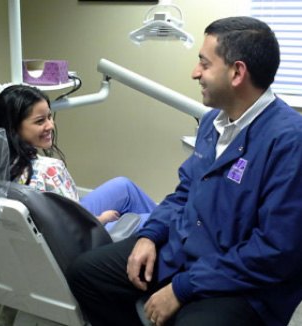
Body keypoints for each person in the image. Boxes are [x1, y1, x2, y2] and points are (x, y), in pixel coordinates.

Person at [65, 16, 302, 326]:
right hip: (184, 252)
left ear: (237, 72)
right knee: (86, 274)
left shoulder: (289, 141)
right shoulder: (211, 123)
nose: (195, 73)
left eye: (204, 63)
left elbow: (274, 252)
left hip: (243, 284)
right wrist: (150, 235)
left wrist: (182, 288)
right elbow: (184, 193)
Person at [0, 84, 156, 231]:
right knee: (162, 220)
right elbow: (75, 230)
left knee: (124, 186)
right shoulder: (50, 170)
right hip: (83, 240)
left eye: (49, 117)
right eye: (40, 121)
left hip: (56, 225)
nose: (50, 125)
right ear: (14, 128)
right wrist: (102, 219)